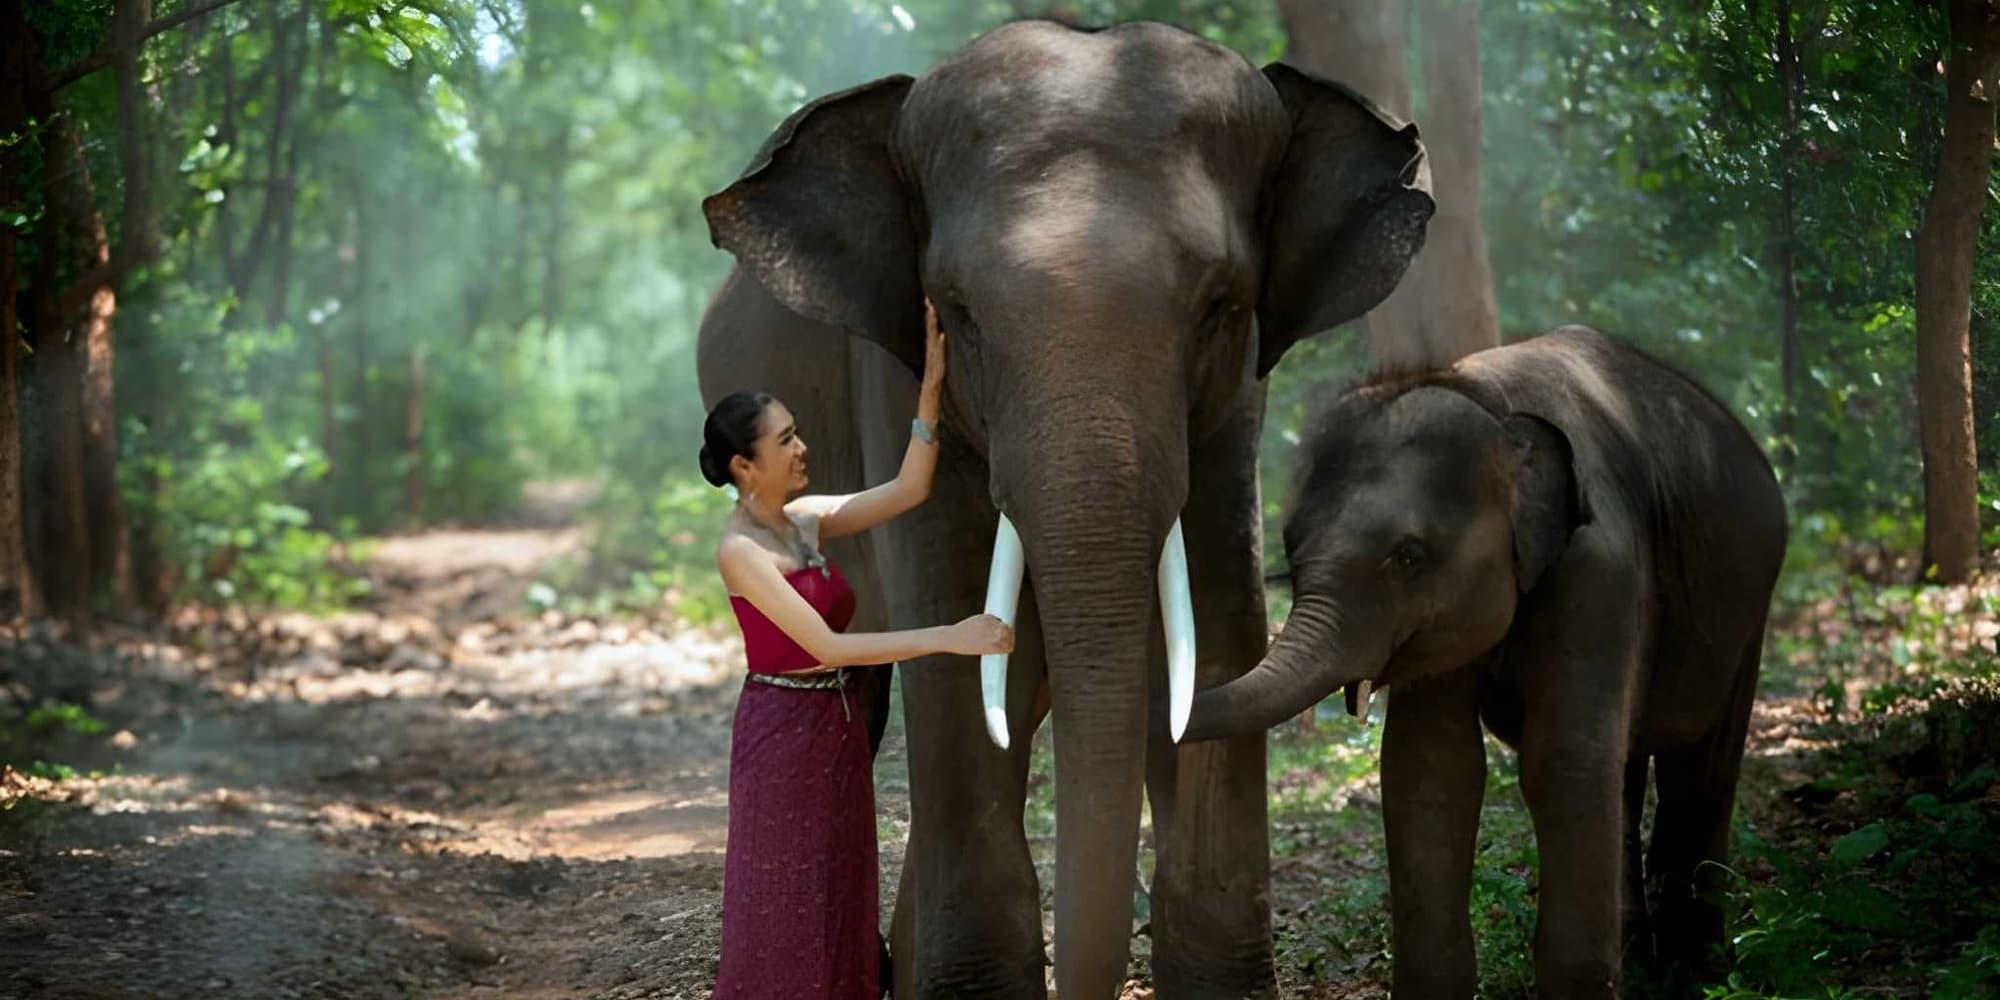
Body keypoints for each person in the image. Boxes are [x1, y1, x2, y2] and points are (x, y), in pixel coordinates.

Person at [703, 300, 1013, 1000]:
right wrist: (950, 638)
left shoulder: (804, 522)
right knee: (787, 901)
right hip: (782, 740)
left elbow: (910, 488)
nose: (801, 448)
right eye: (784, 441)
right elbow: (825, 645)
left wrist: (929, 392)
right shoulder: (742, 553)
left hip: (835, 732)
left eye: (798, 433)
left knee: (839, 888)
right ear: (744, 467)